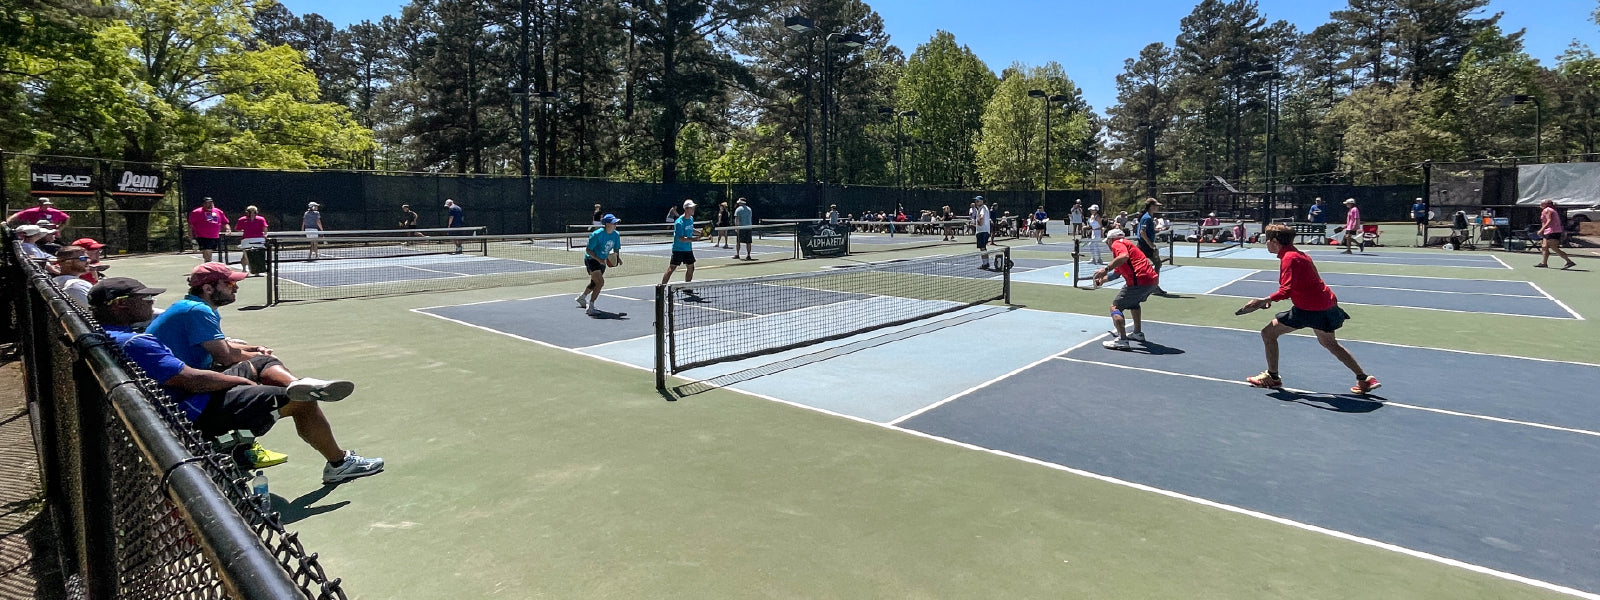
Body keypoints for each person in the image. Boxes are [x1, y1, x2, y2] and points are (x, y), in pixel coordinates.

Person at [90, 277, 384, 481]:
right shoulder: (133, 342)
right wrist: (240, 383)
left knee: (261, 362)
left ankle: (295, 383)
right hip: (191, 410)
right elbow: (189, 379)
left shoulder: (109, 333)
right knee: (301, 402)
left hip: (178, 399)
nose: (151, 302)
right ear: (121, 304)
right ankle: (339, 463)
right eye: (145, 298)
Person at [1241, 224, 1381, 395]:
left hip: (1309, 309)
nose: (1266, 243)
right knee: (1330, 343)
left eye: (1267, 240)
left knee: (1268, 333)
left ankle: (1272, 377)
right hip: (1326, 304)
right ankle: (1364, 378)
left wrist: (1263, 300)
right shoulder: (1300, 255)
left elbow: (1287, 290)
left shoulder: (1289, 258)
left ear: (1275, 241)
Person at [1093, 229, 1159, 350]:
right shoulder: (1128, 246)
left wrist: (1105, 269)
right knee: (1134, 304)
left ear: (1110, 239)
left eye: (1107, 242)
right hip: (1151, 280)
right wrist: (1103, 280)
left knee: (1115, 307)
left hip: (1139, 280)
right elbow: (1116, 274)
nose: (1108, 245)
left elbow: (1124, 256)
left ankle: (1122, 340)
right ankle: (1137, 333)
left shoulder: (1117, 244)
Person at [577, 214, 623, 316]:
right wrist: (598, 259)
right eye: (613, 223)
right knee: (600, 282)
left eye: (616, 223)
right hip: (591, 259)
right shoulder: (596, 234)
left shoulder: (616, 235)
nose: (615, 224)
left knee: (594, 283)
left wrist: (617, 257)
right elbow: (588, 250)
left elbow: (616, 249)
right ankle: (591, 306)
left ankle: (582, 297)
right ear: (607, 224)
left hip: (603, 260)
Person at [661, 200, 701, 287]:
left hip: (688, 249)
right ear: (686, 209)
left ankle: (687, 287)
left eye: (693, 207)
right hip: (678, 249)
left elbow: (691, 229)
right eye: (692, 208)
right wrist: (694, 239)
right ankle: (661, 288)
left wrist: (701, 233)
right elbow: (681, 238)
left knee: (691, 268)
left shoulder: (691, 219)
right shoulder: (679, 222)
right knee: (672, 268)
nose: (693, 209)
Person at [1136, 198, 1169, 296]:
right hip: (1145, 245)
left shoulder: (1148, 217)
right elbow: (1142, 232)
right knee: (1157, 264)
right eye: (1156, 206)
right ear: (1151, 206)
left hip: (1144, 245)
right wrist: (1151, 245)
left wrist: (1155, 230)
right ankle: (1153, 286)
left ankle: (1151, 285)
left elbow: (1146, 231)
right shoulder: (1147, 218)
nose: (1158, 207)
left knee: (1140, 266)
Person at [1535, 199, 1576, 269]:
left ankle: (1569, 261)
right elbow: (1544, 222)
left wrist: (1541, 230)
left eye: (1542, 203)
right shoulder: (1549, 210)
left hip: (1553, 231)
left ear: (1546, 204)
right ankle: (1544, 263)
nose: (1540, 204)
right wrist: (1543, 231)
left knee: (1554, 248)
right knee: (1544, 247)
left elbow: (1549, 220)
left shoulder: (1547, 210)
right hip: (1548, 231)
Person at [188, 197, 230, 264]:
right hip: (202, 236)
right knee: (207, 252)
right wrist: (191, 237)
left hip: (215, 236)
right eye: (208, 203)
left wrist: (228, 229)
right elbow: (190, 225)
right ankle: (208, 267)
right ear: (204, 204)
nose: (210, 205)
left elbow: (225, 222)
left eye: (211, 203)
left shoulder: (218, 211)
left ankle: (207, 266)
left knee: (209, 252)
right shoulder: (196, 212)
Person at [234, 206, 269, 276]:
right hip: (255, 240)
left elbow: (237, 229)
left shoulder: (243, 219)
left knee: (246, 255)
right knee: (256, 255)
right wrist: (264, 235)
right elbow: (265, 229)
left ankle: (246, 270)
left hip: (251, 240)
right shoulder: (260, 219)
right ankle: (254, 271)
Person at [970, 196, 996, 270]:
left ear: (982, 201)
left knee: (982, 248)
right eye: (976, 201)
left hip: (982, 231)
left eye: (978, 201)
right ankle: (986, 263)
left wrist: (979, 222)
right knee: (983, 248)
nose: (976, 202)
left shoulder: (983, 208)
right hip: (982, 231)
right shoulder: (982, 208)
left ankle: (985, 264)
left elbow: (982, 217)